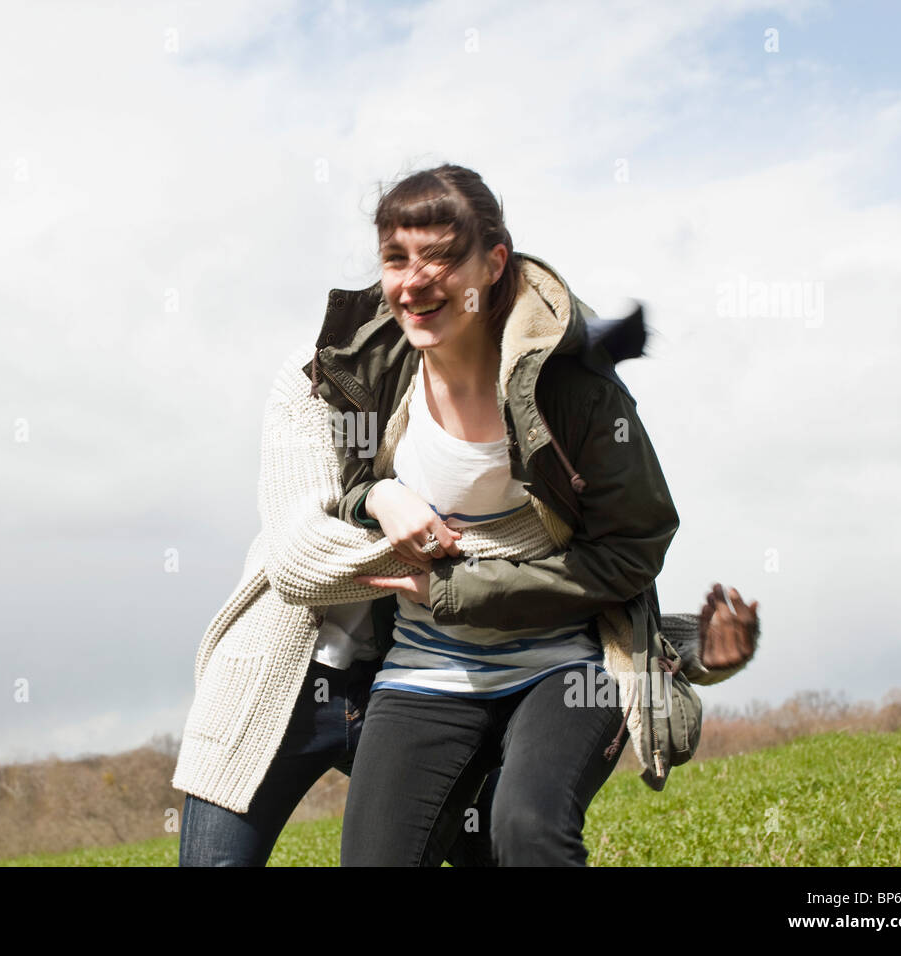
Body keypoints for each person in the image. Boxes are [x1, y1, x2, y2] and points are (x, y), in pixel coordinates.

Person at [171, 291, 758, 864]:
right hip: (285, 686)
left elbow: (580, 584)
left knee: (512, 841)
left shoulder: (503, 401)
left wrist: (686, 645)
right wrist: (390, 504)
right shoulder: (318, 378)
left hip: (425, 682)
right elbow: (301, 560)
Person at [305, 163, 756, 866]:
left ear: (494, 261)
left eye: (441, 257)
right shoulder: (373, 369)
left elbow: (633, 548)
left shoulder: (572, 388)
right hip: (426, 669)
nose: (414, 281)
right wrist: (380, 496)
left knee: (528, 829)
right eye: (396, 258)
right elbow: (353, 486)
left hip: (566, 665)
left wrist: (461, 590)